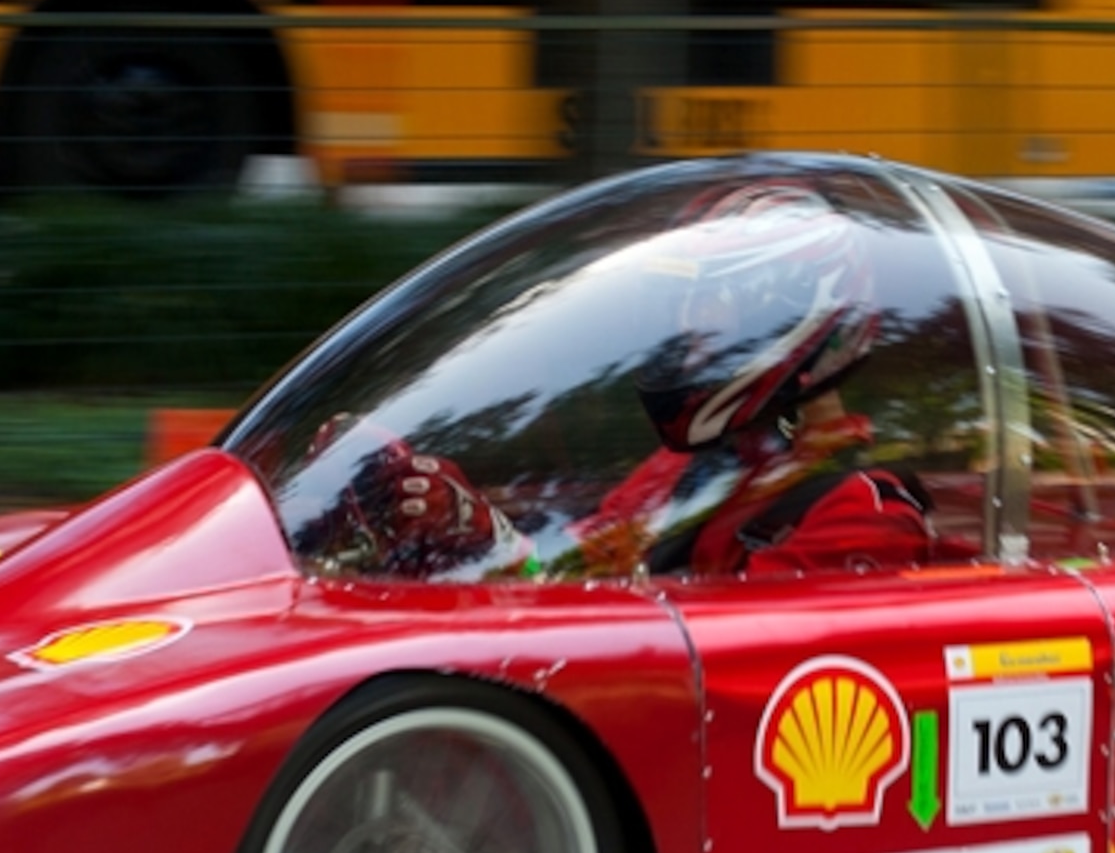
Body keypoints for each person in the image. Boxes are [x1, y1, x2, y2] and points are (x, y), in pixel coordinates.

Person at [333, 183, 933, 581]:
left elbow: (705, 649)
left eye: (712, 303)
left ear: (790, 312)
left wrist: (497, 547)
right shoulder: (686, 468)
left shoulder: (863, 515)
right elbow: (571, 571)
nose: (687, 328)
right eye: (683, 304)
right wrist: (470, 529)